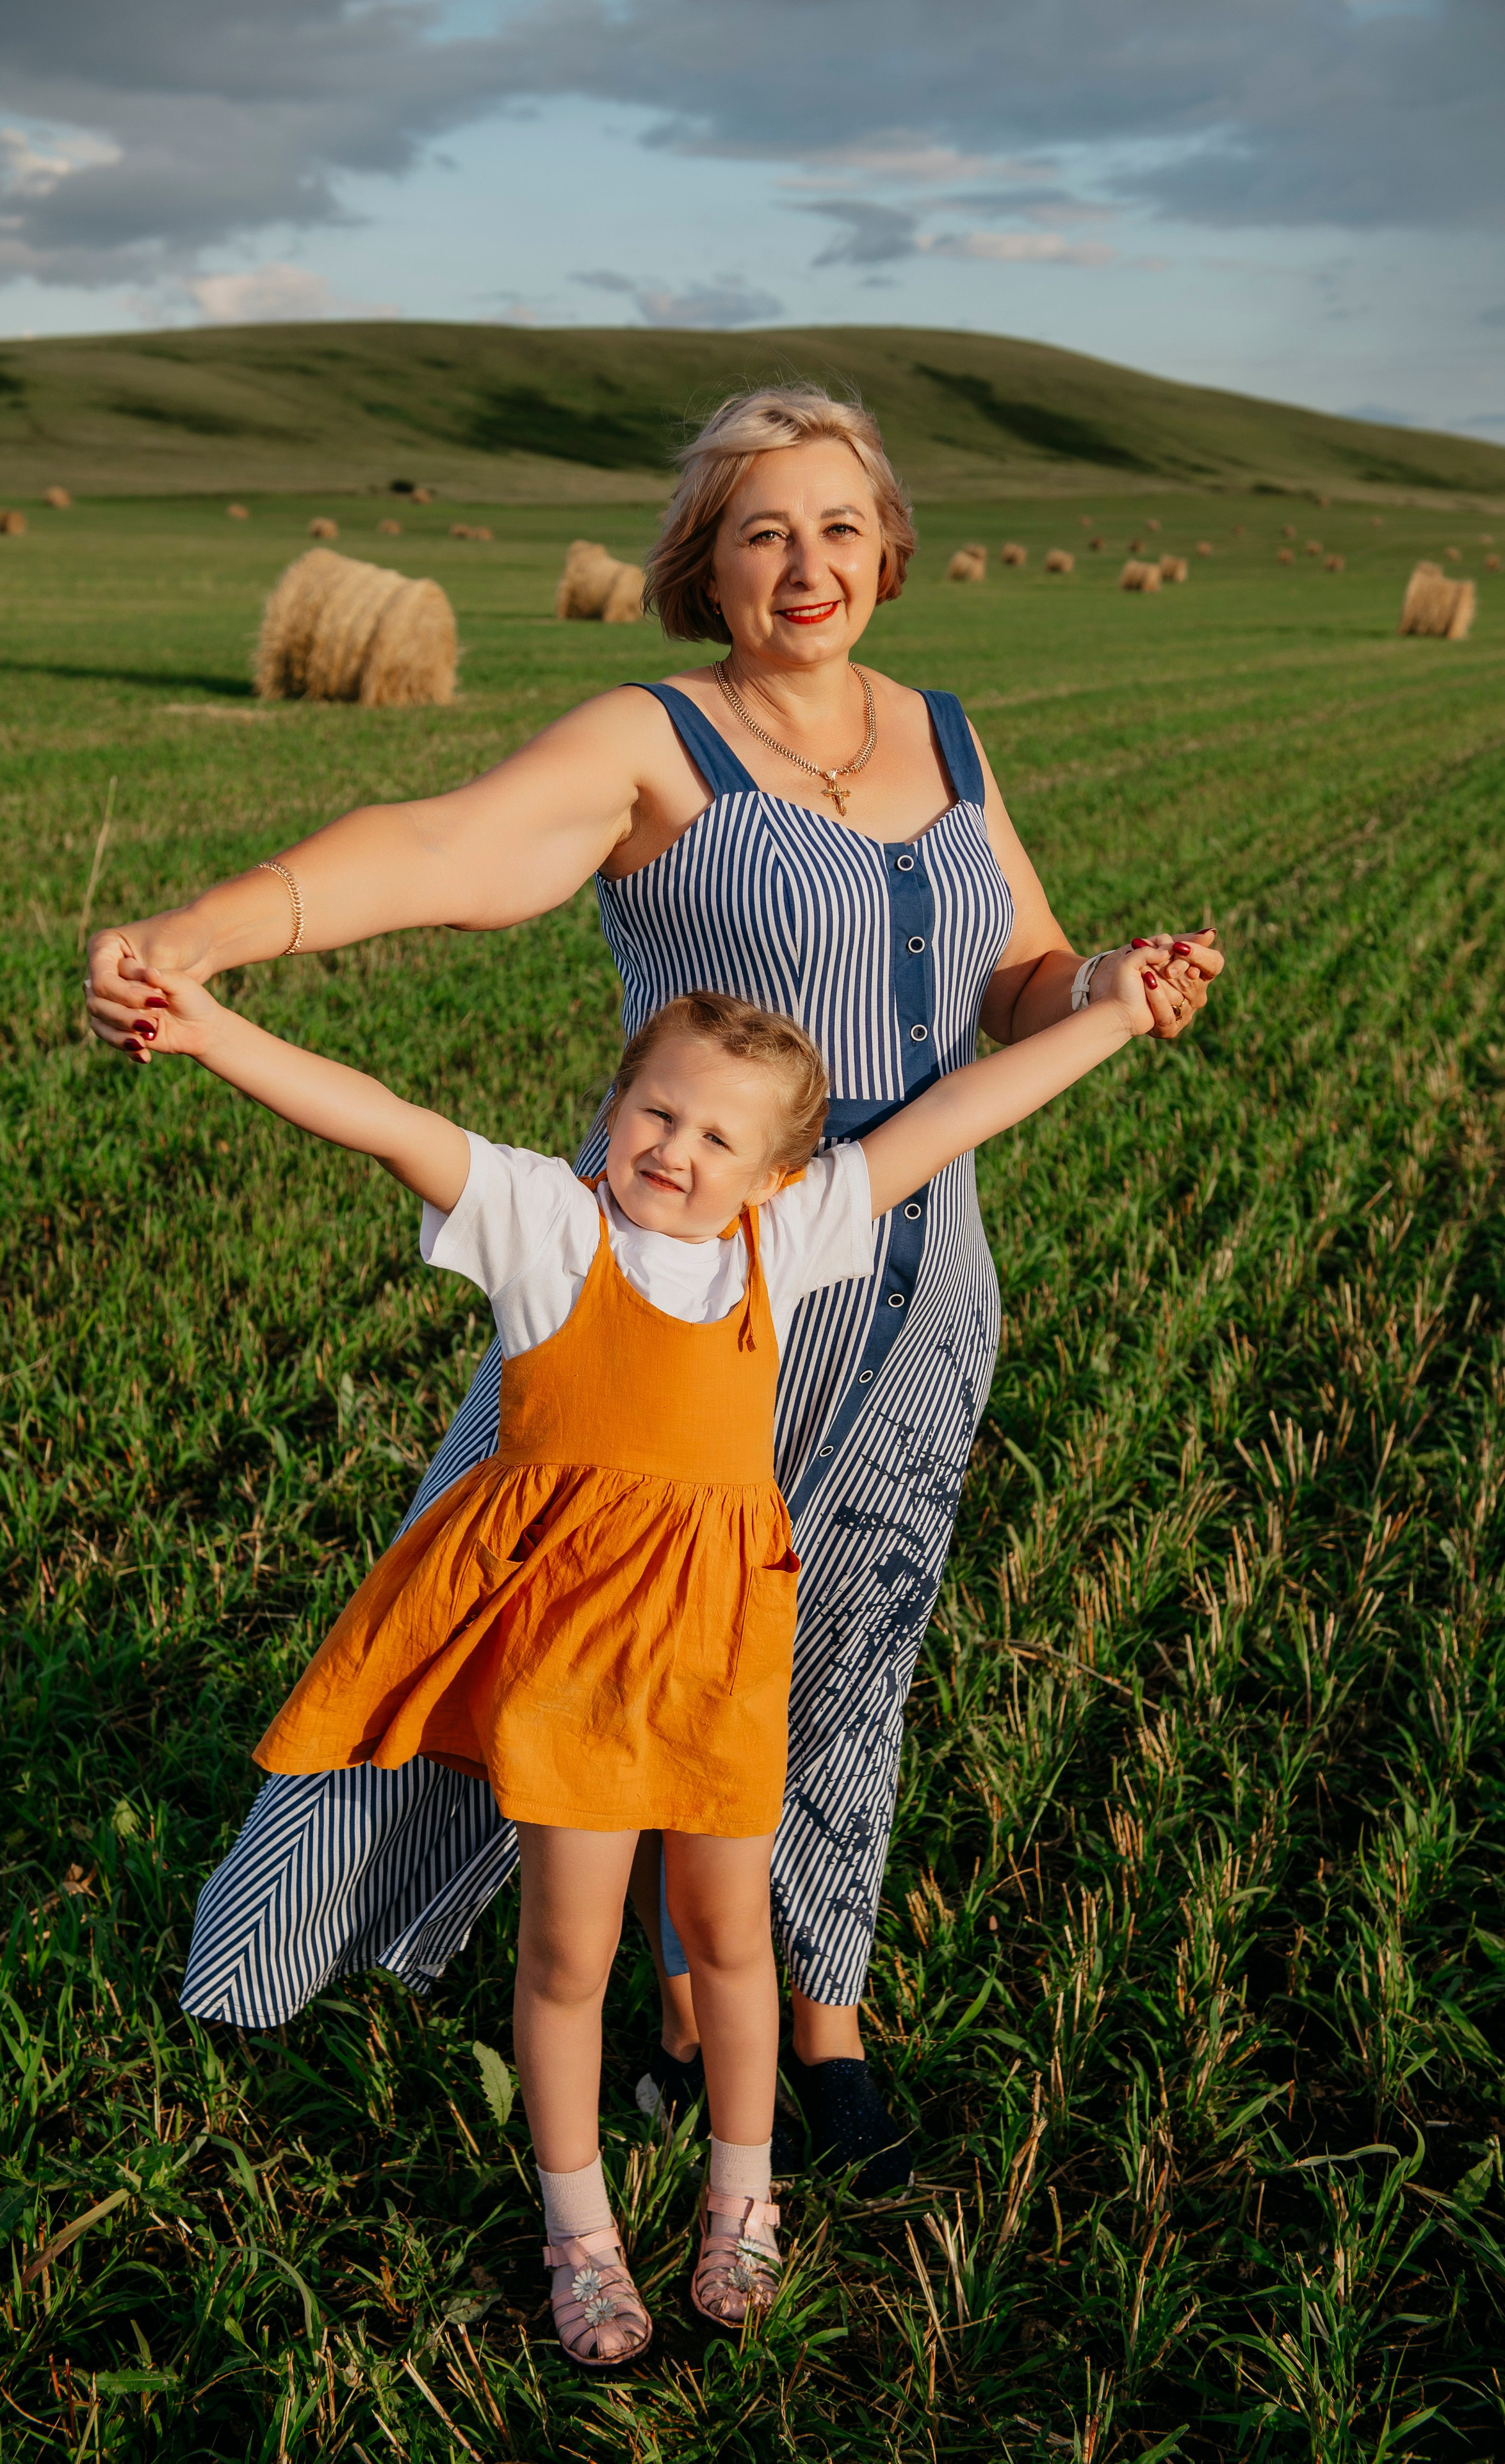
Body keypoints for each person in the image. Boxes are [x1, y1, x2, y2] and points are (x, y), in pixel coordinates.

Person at [87, 384, 1225, 2192]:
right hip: (682, 1282)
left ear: (890, 549)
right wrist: (209, 936)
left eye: (843, 526)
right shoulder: (655, 741)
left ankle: (791, 2007)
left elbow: (1020, 973)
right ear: (706, 559)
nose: (810, 563)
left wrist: (1114, 987)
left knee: (846, 1645)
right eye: (766, 529)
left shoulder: (945, 734)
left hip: (915, 1273)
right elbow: (440, 849)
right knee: (536, 1613)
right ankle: (325, 1948)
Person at [124, 954, 1162, 2359]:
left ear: (777, 1168)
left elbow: (953, 1115)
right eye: (655, 1111)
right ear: (613, 1105)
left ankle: (745, 2194)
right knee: (568, 1948)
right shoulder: (548, 1227)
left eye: (717, 1134)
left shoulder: (780, 1243)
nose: (675, 1148)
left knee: (732, 1936)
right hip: (574, 1665)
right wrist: (207, 1030)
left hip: (723, 1651)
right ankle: (579, 2229)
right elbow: (375, 1115)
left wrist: (1107, 1012)